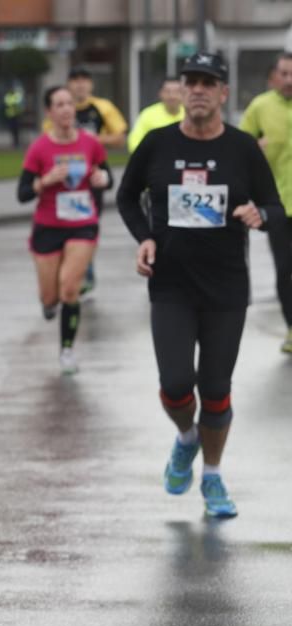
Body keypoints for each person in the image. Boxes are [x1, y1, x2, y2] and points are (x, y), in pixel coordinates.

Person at [116, 52, 283, 519]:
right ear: (182, 90)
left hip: (226, 288)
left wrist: (260, 215)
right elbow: (127, 197)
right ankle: (186, 437)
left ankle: (212, 474)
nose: (198, 90)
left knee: (215, 387)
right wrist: (145, 238)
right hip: (171, 284)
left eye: (208, 83)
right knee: (174, 384)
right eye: (191, 81)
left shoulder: (242, 148)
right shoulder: (156, 143)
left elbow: (273, 204)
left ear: (224, 93)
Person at [16, 85, 112, 374]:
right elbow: (22, 193)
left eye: (69, 103)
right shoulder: (40, 148)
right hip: (47, 227)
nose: (67, 109)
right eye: (59, 104)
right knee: (50, 298)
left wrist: (102, 179)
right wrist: (44, 181)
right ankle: (48, 302)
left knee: (70, 288)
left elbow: (108, 177)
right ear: (49, 112)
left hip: (83, 225)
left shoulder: (90, 143)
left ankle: (67, 351)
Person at [50, 66, 128, 295]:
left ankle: (86, 269)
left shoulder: (102, 108)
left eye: (84, 80)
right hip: (62, 180)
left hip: (90, 178)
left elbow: (121, 137)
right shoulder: (59, 107)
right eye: (75, 80)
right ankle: (68, 269)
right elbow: (47, 137)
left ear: (91, 85)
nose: (80, 85)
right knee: (62, 225)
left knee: (86, 225)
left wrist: (95, 139)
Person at [239, 52, 292, 353]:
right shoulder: (260, 106)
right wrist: (253, 149)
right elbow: (238, 148)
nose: (288, 80)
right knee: (284, 269)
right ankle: (291, 327)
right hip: (277, 205)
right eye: (283, 74)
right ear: (274, 76)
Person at [127, 77, 184, 153]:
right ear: (160, 93)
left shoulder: (191, 114)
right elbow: (134, 143)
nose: (172, 96)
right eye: (167, 91)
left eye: (177, 92)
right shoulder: (148, 114)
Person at [4, 83, 26, 148]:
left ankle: (17, 142)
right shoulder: (8, 96)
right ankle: (15, 142)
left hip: (17, 115)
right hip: (11, 115)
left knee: (17, 130)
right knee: (12, 129)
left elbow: (19, 103)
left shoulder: (16, 95)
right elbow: (9, 103)